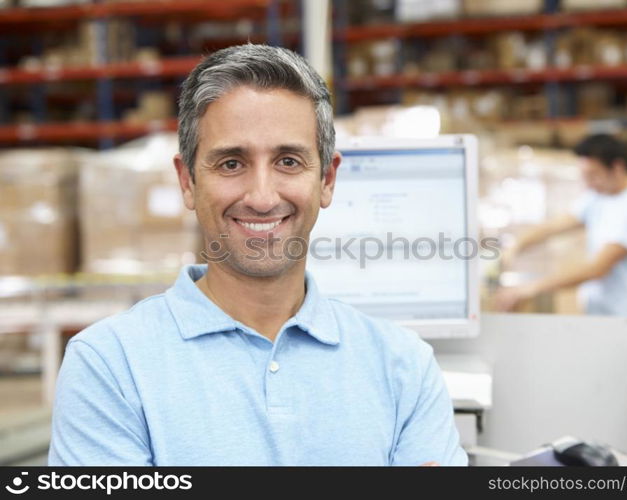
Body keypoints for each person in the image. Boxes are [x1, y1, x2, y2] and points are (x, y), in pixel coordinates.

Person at [48, 44, 466, 466]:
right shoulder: (110, 366)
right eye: (231, 163)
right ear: (188, 181)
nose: (262, 198)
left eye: (288, 161)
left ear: (327, 179)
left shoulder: (404, 367)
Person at [495, 134, 627, 319]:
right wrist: (516, 245)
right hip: (601, 314)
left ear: (617, 167)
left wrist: (529, 288)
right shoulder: (598, 197)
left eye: (593, 175)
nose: (588, 183)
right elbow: (556, 225)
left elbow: (598, 268)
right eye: (585, 176)